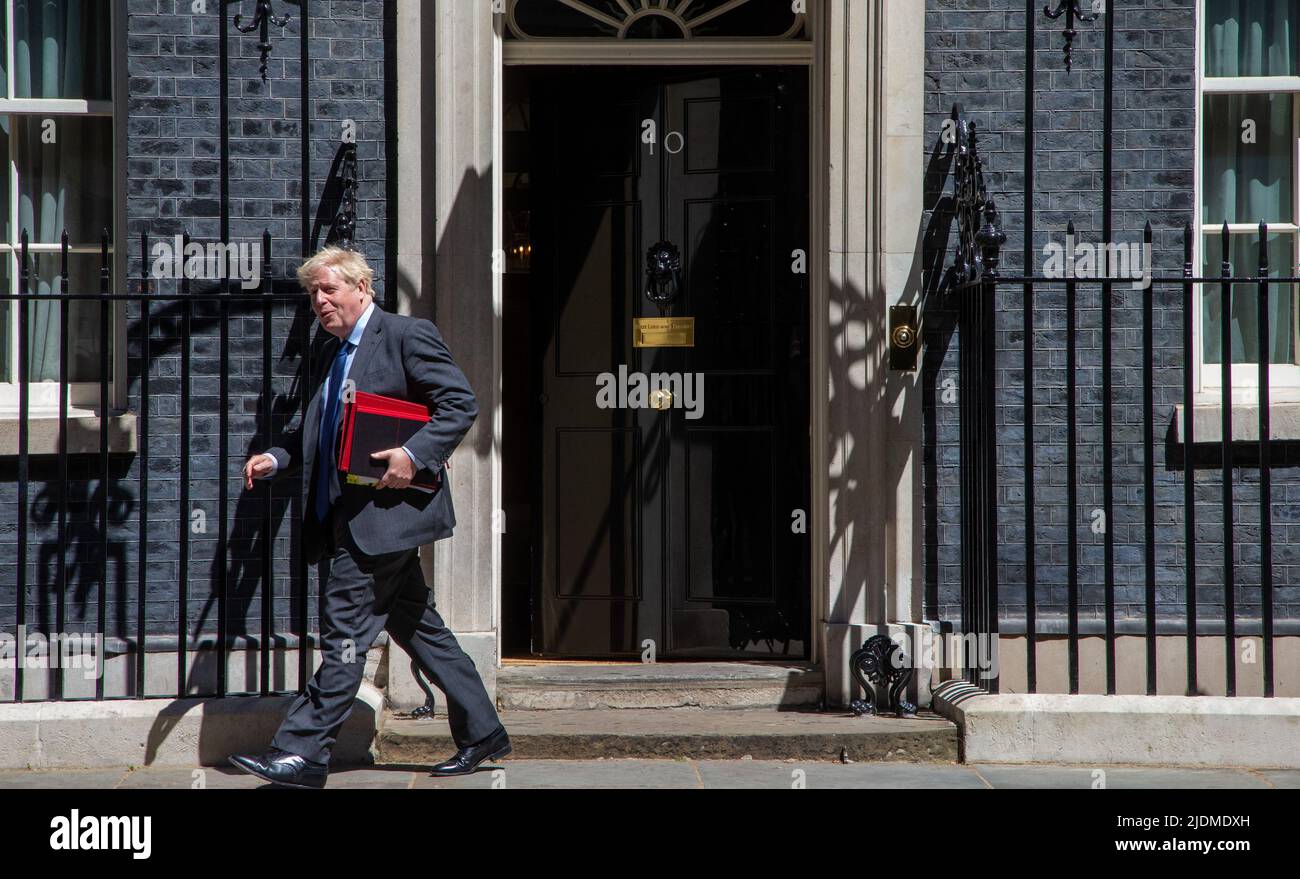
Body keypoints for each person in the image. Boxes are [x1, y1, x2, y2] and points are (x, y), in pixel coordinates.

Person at [229, 247, 509, 789]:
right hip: (349, 517)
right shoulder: (334, 354)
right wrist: (279, 457)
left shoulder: (406, 335)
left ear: (363, 288)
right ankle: (483, 732)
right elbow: (323, 429)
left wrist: (413, 455)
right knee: (420, 628)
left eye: (329, 290)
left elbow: (459, 403)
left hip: (384, 520)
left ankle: (302, 752)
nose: (320, 302)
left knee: (344, 634)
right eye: (313, 294)